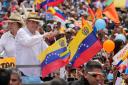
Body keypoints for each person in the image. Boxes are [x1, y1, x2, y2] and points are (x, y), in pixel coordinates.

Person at [15, 12, 48, 76]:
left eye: (37, 23)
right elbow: (27, 42)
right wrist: (43, 36)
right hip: (23, 72)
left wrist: (60, 50)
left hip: (36, 72)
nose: (35, 25)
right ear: (27, 22)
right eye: (32, 22)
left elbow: (46, 49)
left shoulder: (37, 34)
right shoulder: (21, 31)